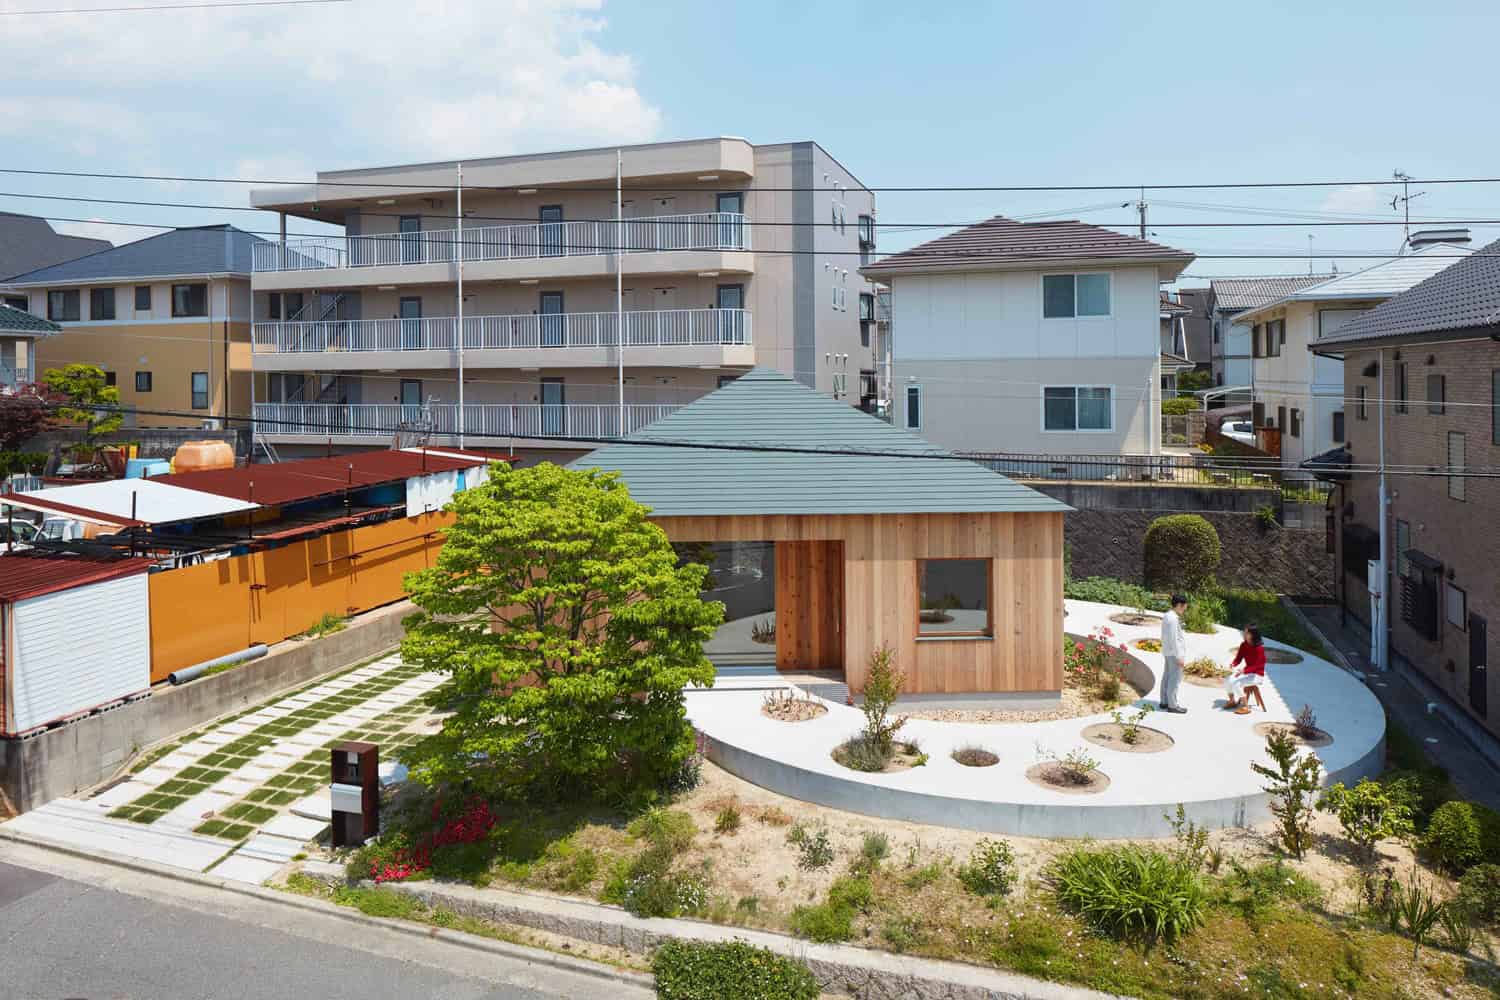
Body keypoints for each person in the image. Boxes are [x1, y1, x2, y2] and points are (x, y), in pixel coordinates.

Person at [1225, 624, 1267, 713]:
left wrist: (1243, 670)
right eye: (1244, 631)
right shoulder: (1244, 645)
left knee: (1236, 684)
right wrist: (1233, 664)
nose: (1244, 633)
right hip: (1247, 673)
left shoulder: (1259, 648)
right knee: (1228, 680)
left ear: (1253, 634)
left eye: (1246, 632)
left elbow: (1258, 665)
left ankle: (1246, 707)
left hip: (1257, 675)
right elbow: (1238, 658)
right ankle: (1232, 701)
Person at [1159, 594, 1188, 713]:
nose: (1185, 609)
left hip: (1168, 652)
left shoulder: (1167, 615)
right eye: (1184, 607)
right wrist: (1179, 657)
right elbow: (1173, 639)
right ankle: (1172, 705)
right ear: (1180, 605)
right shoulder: (1173, 618)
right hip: (1173, 653)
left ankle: (1164, 701)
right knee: (1174, 679)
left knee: (1167, 677)